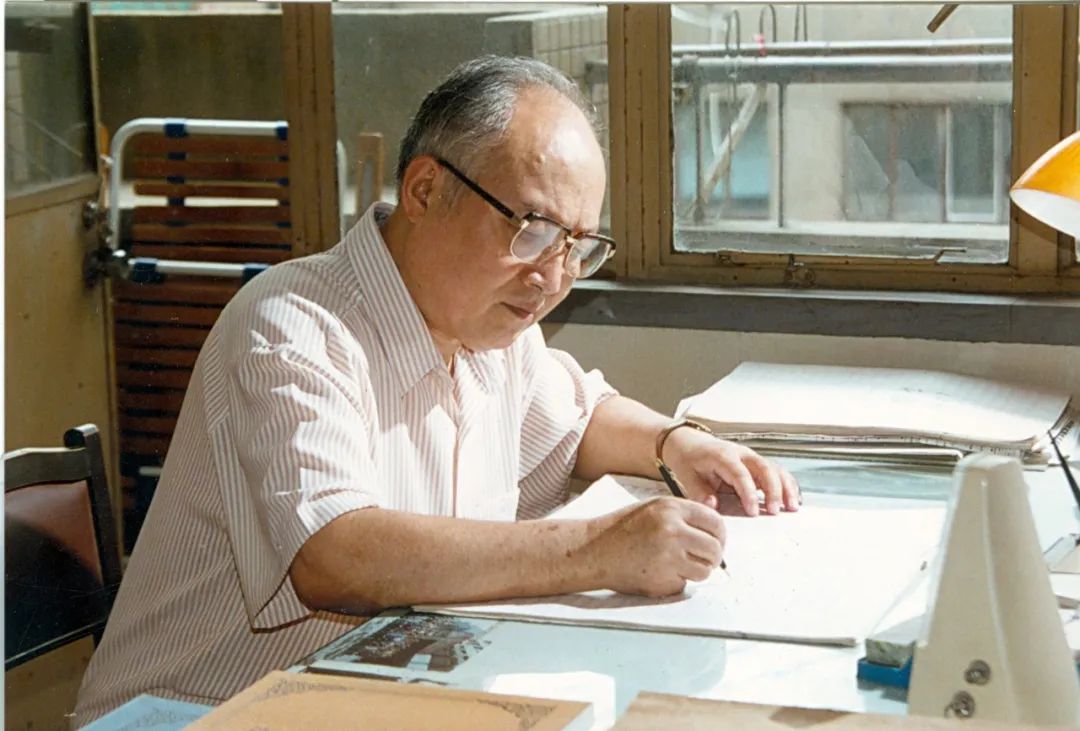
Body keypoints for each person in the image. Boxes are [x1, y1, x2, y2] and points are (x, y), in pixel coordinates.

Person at [73, 55, 799, 727]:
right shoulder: (291, 325)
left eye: (576, 246)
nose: (552, 277)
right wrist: (599, 549)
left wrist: (678, 442)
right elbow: (335, 555)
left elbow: (582, 420)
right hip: (194, 713)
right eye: (533, 230)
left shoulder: (490, 329)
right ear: (425, 190)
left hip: (366, 705)